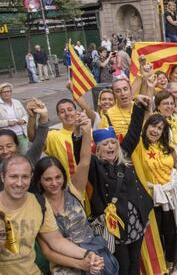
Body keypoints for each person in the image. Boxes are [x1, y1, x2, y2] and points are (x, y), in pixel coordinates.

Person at [34, 114, 118, 274]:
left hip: (94, 256)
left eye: (58, 177)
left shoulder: (73, 190)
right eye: (48, 179)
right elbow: (48, 252)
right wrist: (81, 264)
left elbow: (85, 160)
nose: (54, 183)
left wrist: (85, 132)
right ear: (40, 181)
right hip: (64, 265)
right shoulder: (37, 205)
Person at [82, 96, 153, 275]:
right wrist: (80, 134)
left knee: (135, 261)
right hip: (115, 226)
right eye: (105, 144)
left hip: (136, 219)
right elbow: (80, 156)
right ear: (98, 149)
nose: (110, 146)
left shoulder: (125, 156)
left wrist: (137, 107)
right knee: (123, 264)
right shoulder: (94, 166)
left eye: (113, 142)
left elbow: (134, 130)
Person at [0, 155, 103, 274]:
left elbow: (55, 240)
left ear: (31, 177)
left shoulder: (39, 203)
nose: (19, 183)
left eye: (25, 177)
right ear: (3, 177)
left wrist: (87, 254)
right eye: (13, 177)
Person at [131, 113, 177, 275]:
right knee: (154, 236)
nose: (155, 130)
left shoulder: (166, 145)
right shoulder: (138, 145)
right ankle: (157, 268)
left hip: (169, 198)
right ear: (146, 126)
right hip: (149, 199)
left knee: (171, 234)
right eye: (153, 126)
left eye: (160, 128)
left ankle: (171, 266)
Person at [0, 83, 29, 155]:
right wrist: (7, 123)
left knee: (24, 155)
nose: (7, 94)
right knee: (10, 156)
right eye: (4, 92)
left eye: (9, 91)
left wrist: (23, 120)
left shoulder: (17, 102)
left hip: (21, 134)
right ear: (0, 93)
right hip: (7, 136)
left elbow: (25, 115)